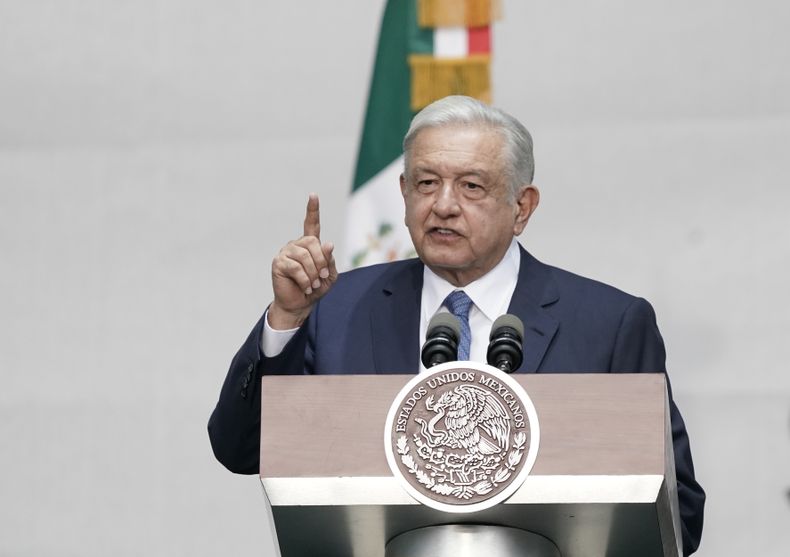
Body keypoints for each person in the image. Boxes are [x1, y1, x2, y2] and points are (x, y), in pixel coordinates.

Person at [208, 95, 705, 554]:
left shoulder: (609, 323)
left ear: (522, 207)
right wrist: (289, 319)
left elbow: (679, 511)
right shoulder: (338, 308)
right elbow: (239, 449)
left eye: (471, 186)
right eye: (426, 183)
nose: (443, 204)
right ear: (404, 194)